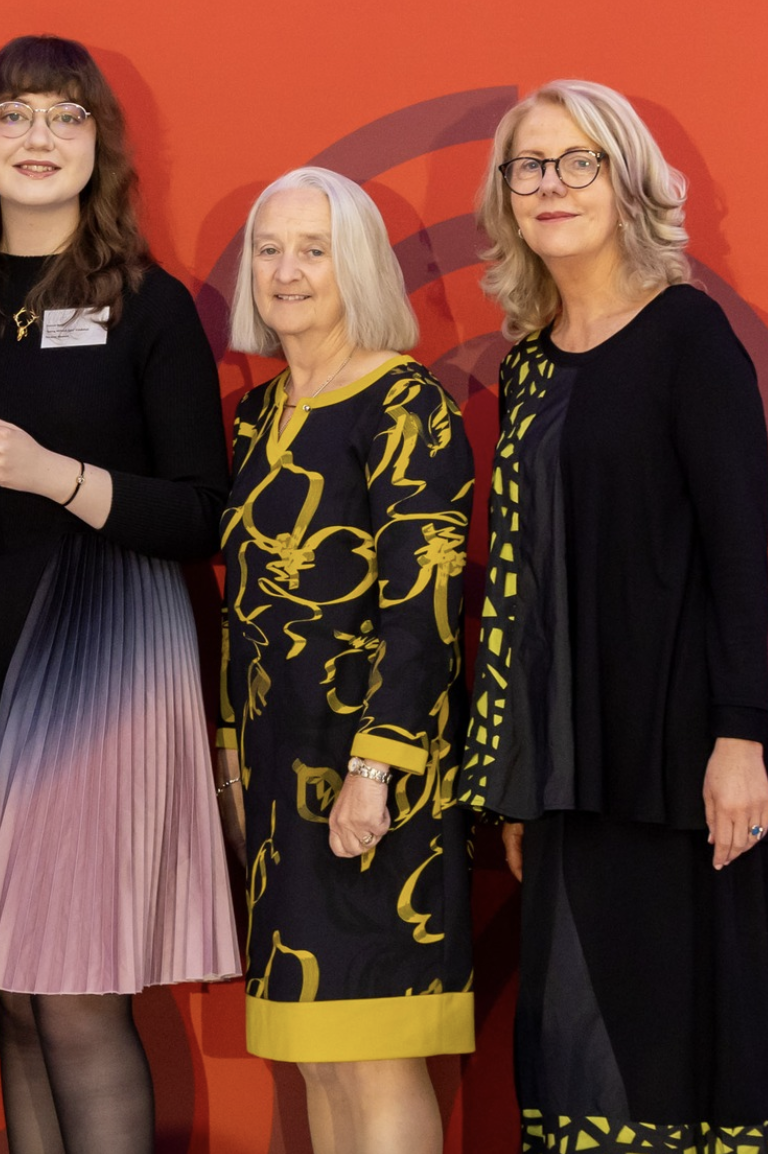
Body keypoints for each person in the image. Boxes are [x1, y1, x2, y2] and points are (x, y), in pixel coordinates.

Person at [0, 36, 240, 1152]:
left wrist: (57, 477)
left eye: (64, 117)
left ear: (100, 149)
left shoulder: (148, 307)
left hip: (104, 656)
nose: (37, 138)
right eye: (15, 115)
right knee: (20, 990)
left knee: (75, 989)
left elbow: (204, 512)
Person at [462, 80, 768, 1150]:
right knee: (572, 1053)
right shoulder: (525, 365)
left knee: (669, 1045)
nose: (550, 185)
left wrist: (738, 739)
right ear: (505, 196)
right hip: (565, 774)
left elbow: (738, 555)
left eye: (578, 161)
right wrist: (516, 777)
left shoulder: (688, 334)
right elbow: (523, 587)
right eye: (528, 166)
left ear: (626, 180)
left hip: (675, 762)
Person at [217, 167, 475, 1154]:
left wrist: (375, 767)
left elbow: (425, 608)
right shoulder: (257, 416)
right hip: (278, 777)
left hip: (376, 771)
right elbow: (242, 607)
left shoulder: (404, 403)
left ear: (356, 265)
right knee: (317, 1054)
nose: (285, 271)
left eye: (313, 250)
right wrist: (232, 762)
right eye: (269, 249)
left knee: (374, 1052)